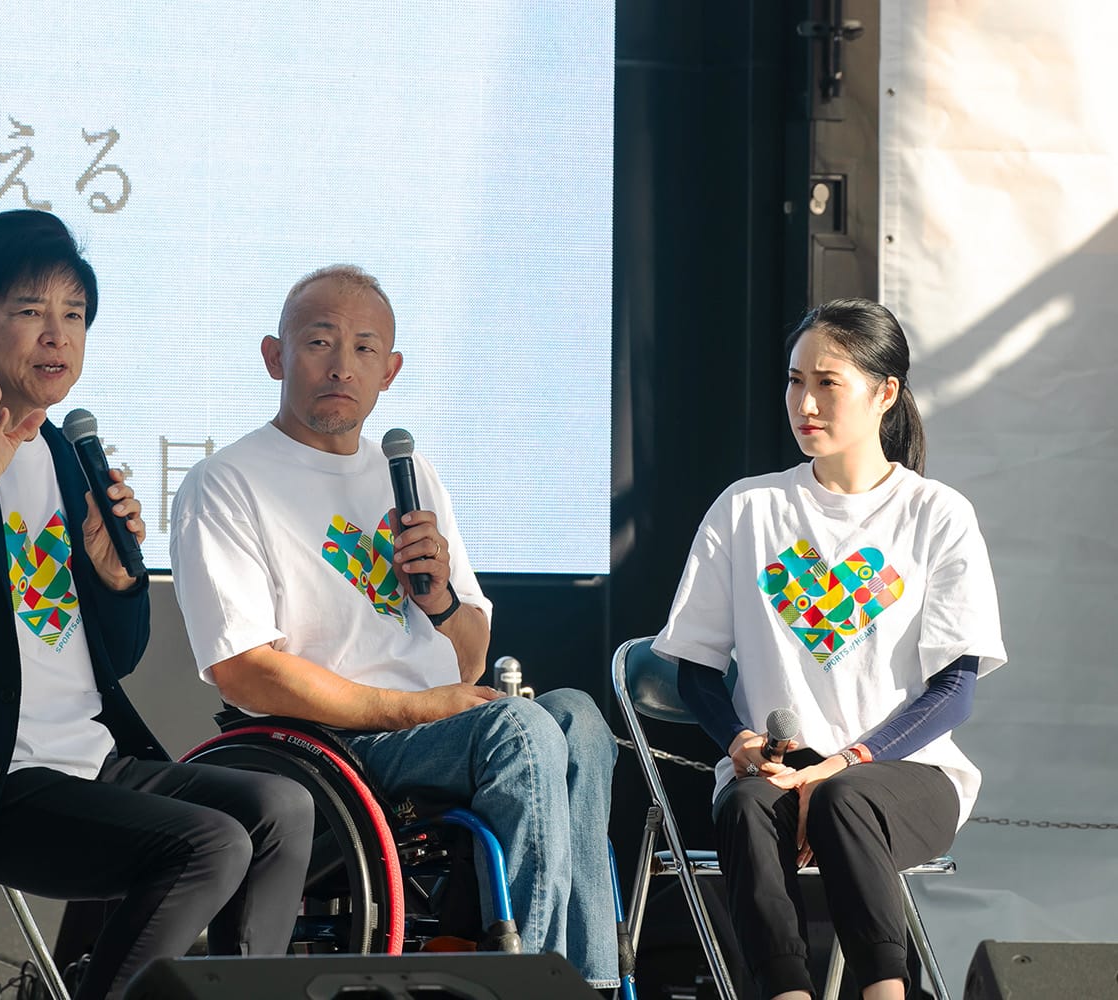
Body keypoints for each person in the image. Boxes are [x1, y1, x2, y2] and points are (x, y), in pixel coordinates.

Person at [0, 210, 313, 999]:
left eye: (75, 315)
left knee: (282, 807)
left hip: (89, 763)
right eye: (30, 311)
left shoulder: (70, 460)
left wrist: (117, 579)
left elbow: (116, 659)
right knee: (210, 844)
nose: (58, 335)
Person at [168, 264, 621, 991]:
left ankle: (587, 981)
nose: (341, 366)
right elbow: (243, 670)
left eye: (365, 348)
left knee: (580, 719)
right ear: (275, 357)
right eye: (320, 342)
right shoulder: (225, 481)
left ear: (391, 371)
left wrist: (439, 601)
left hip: (439, 730)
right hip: (331, 746)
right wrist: (415, 708)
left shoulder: (412, 476)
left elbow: (469, 661)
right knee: (522, 729)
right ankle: (529, 986)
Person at [653, 299, 1007, 1000]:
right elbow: (695, 670)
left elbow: (954, 691)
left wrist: (842, 764)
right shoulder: (747, 508)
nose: (805, 403)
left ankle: (887, 991)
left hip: (904, 776)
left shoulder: (936, 514)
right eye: (794, 381)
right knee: (744, 807)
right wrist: (739, 742)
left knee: (844, 798)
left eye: (827, 383)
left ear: (885, 393)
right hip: (779, 776)